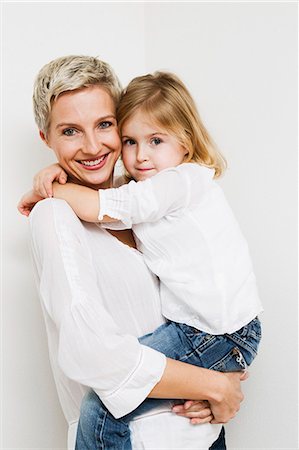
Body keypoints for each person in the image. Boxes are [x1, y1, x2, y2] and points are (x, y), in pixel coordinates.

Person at [18, 55, 246, 450]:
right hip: (127, 439)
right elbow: (91, 352)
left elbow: (204, 302)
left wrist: (220, 379)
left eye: (104, 125)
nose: (92, 146)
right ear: (46, 138)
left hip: (202, 436)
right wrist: (213, 384)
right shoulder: (55, 215)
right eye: (70, 131)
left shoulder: (145, 198)